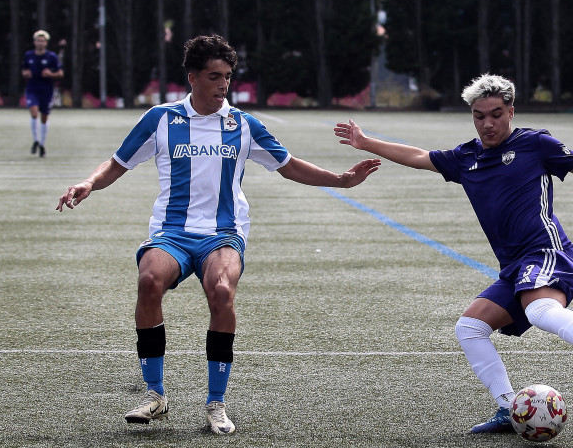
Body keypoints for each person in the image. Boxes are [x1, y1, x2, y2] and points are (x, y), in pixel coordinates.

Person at [56, 34, 380, 435]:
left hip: (222, 233)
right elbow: (118, 162)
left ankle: (216, 402)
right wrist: (88, 183)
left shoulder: (243, 124)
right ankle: (156, 395)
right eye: (214, 76)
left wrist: (341, 180)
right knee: (149, 280)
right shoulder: (160, 119)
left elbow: (289, 165)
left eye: (227, 76)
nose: (223, 85)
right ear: (192, 78)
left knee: (222, 292)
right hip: (172, 231)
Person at [334, 73, 573, 434]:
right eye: (479, 116)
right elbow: (416, 155)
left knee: (539, 310)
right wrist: (365, 142)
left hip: (547, 252)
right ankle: (508, 408)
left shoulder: (535, 143)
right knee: (470, 327)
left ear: (511, 111)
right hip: (515, 268)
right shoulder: (466, 157)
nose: (487, 123)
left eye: (495, 114)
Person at [21, 30, 64, 158]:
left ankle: (42, 144)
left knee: (44, 117)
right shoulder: (28, 55)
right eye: (38, 40)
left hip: (46, 90)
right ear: (34, 42)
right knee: (34, 113)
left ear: (46, 43)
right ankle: (35, 140)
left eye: (42, 41)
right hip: (32, 89)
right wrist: (25, 74)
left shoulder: (51, 57)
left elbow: (60, 73)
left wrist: (50, 74)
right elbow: (24, 70)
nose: (40, 43)